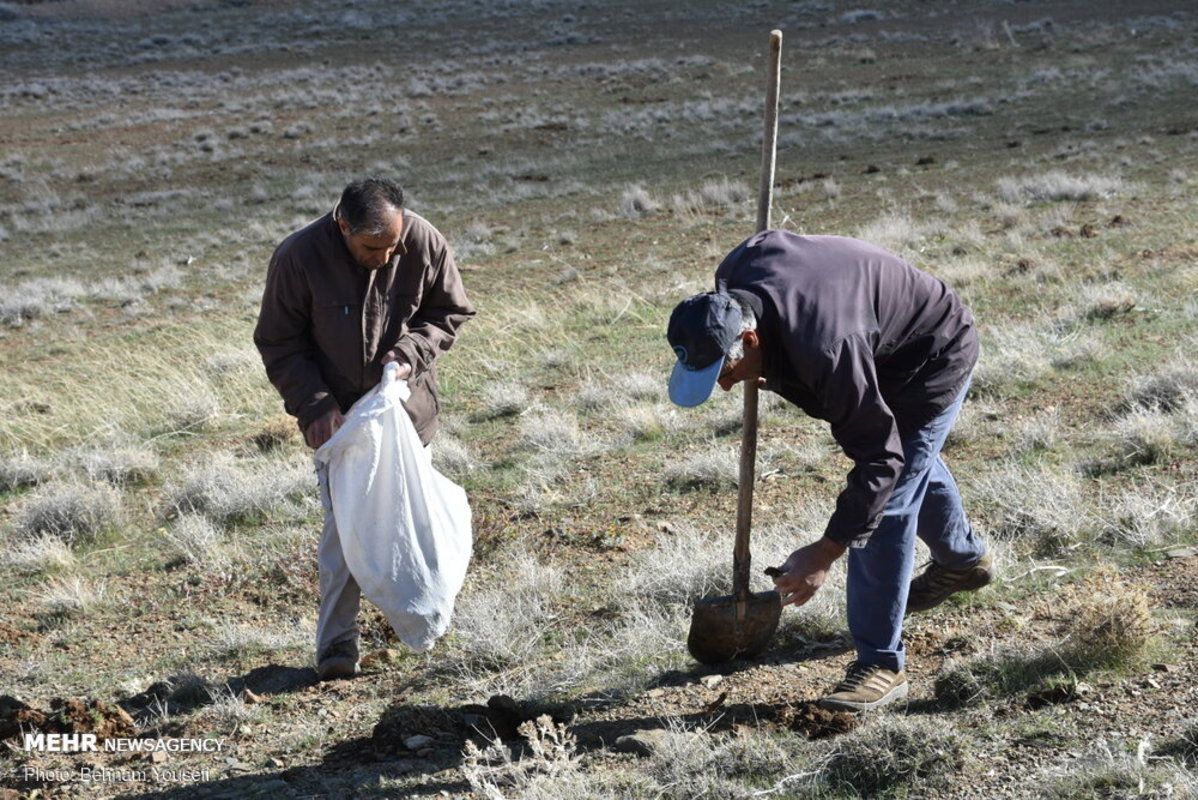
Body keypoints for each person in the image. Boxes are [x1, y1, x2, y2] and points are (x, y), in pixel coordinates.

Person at [666, 231, 992, 712]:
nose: (727, 386)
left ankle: (881, 664)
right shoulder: (731, 279)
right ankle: (963, 561)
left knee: (889, 500)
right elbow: (769, 242)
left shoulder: (825, 347)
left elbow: (880, 461)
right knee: (905, 463)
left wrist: (826, 550)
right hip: (867, 336)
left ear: (751, 338)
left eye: (727, 372)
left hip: (930, 353)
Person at [254, 177, 475, 681]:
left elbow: (450, 312)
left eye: (394, 244)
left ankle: (428, 621)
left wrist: (409, 353)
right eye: (373, 247)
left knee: (417, 519)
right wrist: (315, 407)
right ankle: (337, 646)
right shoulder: (299, 257)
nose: (387, 255)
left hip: (407, 416)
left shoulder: (422, 241)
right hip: (340, 426)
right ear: (342, 226)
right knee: (343, 531)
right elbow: (278, 342)